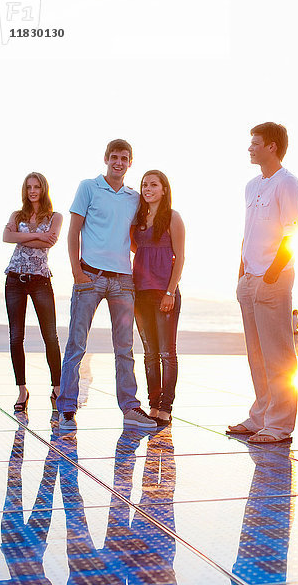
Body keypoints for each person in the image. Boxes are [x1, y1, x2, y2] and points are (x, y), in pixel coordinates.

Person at [56, 139, 156, 431]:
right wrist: (76, 270)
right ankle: (66, 409)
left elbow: (139, 239)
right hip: (90, 277)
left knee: (124, 347)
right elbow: (73, 230)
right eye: (114, 157)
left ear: (130, 163)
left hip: (123, 281)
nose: (119, 162)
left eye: (124, 158)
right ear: (106, 158)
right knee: (77, 345)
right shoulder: (88, 187)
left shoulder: (134, 198)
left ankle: (130, 408)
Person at [228, 122, 298, 443]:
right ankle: (260, 415)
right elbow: (248, 233)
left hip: (274, 278)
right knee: (256, 354)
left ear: (272, 146)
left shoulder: (288, 183)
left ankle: (280, 425)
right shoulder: (251, 185)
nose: (249, 148)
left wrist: (270, 275)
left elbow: (294, 233)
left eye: (255, 143)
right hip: (249, 278)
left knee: (279, 354)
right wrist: (243, 272)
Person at [3, 172, 63, 414]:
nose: (32, 191)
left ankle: (57, 388)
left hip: (40, 280)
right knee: (16, 336)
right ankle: (22, 390)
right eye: (29, 187)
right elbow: (7, 237)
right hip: (15, 279)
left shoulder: (55, 216)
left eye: (37, 186)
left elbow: (50, 242)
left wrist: (23, 237)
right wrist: (38, 234)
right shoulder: (17, 215)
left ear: (43, 188)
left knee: (50, 335)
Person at [132, 170, 185, 427]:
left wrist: (169, 291)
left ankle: (166, 408)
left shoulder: (173, 218)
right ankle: (153, 406)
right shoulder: (139, 218)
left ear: (164, 189)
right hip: (139, 293)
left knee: (167, 353)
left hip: (164, 293)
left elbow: (181, 257)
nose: (148, 188)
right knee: (150, 354)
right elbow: (136, 246)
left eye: (153, 184)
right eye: (144, 184)